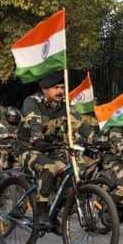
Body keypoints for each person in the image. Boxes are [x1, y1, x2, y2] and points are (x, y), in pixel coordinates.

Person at [19, 72, 95, 227]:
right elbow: (34, 122)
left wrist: (97, 140)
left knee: (74, 167)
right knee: (49, 167)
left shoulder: (65, 106)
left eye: (62, 87)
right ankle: (41, 211)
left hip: (52, 149)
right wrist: (38, 138)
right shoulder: (32, 102)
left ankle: (58, 208)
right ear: (44, 90)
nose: (60, 91)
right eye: (56, 88)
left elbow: (81, 126)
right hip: (28, 147)